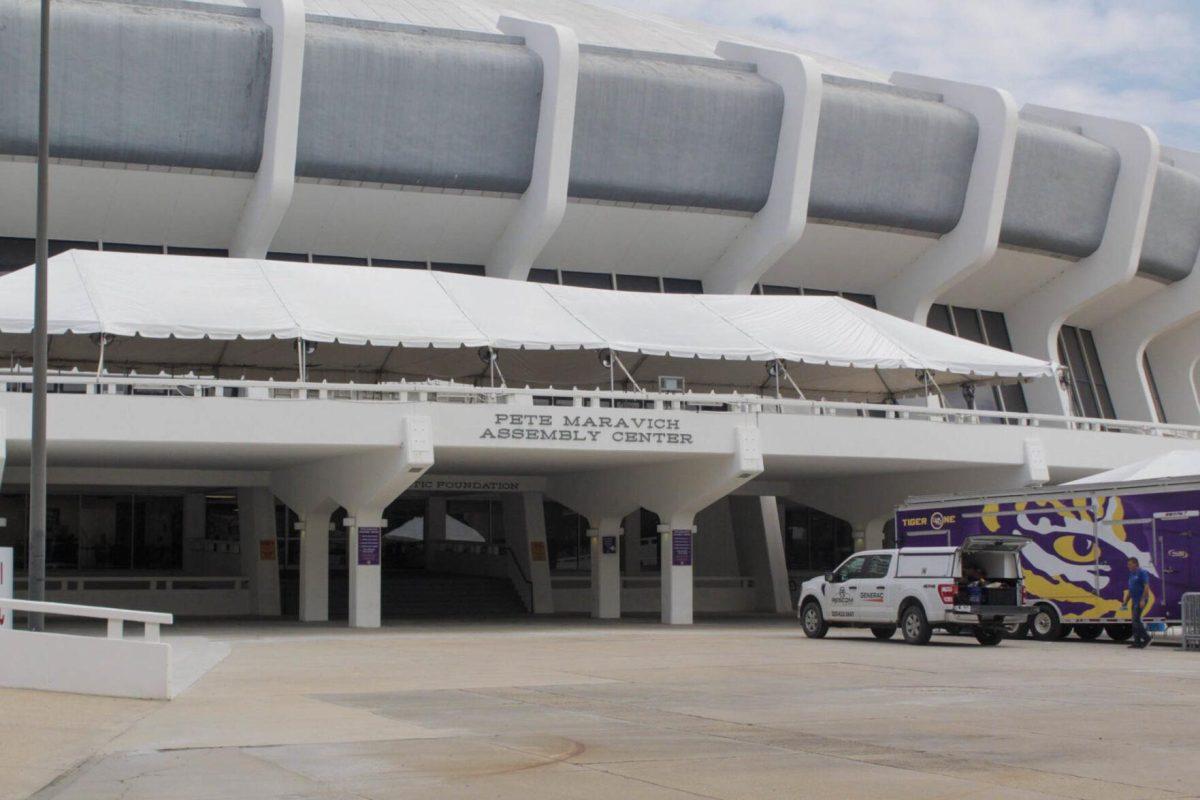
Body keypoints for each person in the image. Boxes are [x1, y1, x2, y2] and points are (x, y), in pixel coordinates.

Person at [1121, 557, 1152, 649]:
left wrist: (1143, 600)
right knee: (1134, 621)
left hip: (1140, 600)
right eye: (1128, 564)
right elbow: (1131, 589)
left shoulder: (1142, 573)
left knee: (1136, 620)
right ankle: (1137, 642)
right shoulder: (1131, 574)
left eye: (1130, 564)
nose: (1128, 566)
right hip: (1134, 600)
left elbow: (1146, 587)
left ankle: (1147, 638)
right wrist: (1125, 601)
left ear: (1135, 564)